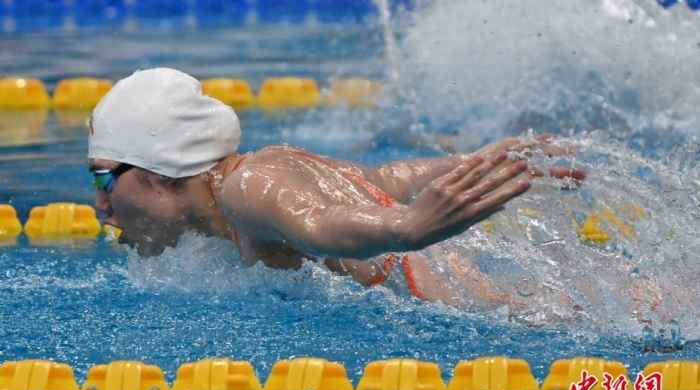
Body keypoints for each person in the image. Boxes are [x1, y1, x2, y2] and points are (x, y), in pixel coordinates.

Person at [88, 68, 586, 306]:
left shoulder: (247, 190)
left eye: (104, 179)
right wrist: (472, 164)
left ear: (154, 172)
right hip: (476, 290)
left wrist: (406, 226)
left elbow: (321, 224)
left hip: (478, 308)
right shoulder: (261, 175)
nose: (100, 206)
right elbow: (380, 180)